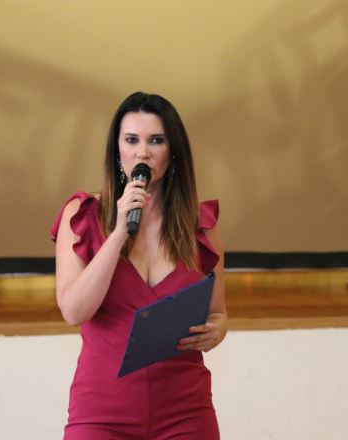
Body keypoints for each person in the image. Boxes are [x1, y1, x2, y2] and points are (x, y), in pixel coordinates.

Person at [51, 91, 227, 439]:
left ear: (173, 150)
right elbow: (74, 311)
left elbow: (218, 313)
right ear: (116, 149)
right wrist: (118, 233)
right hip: (102, 411)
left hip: (185, 409)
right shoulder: (83, 215)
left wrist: (216, 331)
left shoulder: (200, 226)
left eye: (156, 140)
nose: (142, 152)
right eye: (131, 140)